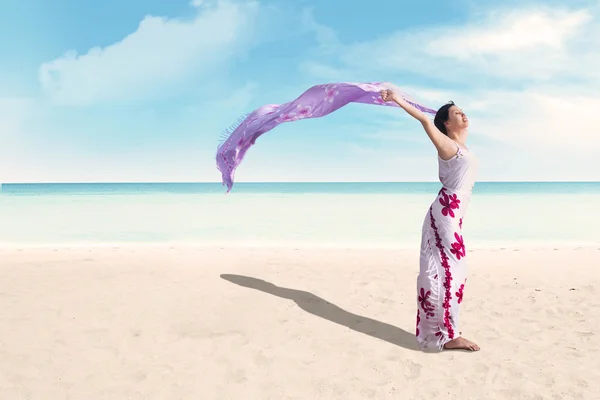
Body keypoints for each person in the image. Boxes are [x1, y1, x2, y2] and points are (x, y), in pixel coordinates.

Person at [380, 89, 480, 352]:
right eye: (456, 113)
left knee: (452, 272)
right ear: (447, 123)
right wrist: (397, 99)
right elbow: (426, 121)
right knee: (451, 272)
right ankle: (448, 335)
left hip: (452, 215)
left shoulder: (462, 145)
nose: (463, 114)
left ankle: (444, 331)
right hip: (445, 214)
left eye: (462, 110)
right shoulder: (448, 145)